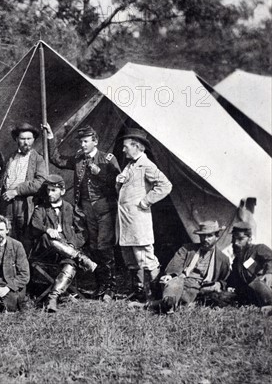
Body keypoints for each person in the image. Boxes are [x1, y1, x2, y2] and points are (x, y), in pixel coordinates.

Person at [42, 123, 120, 300]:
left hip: (104, 209)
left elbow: (118, 181)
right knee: (93, 247)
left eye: (86, 142)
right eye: (81, 142)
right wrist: (50, 138)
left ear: (95, 141)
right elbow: (57, 159)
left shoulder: (107, 159)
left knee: (104, 246)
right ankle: (100, 285)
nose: (82, 145)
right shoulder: (78, 158)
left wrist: (99, 172)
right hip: (86, 210)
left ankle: (110, 288)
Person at [116, 128, 172, 301]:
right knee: (132, 259)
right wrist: (119, 182)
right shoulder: (131, 164)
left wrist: (146, 201)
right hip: (126, 221)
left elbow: (165, 185)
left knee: (145, 258)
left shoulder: (146, 165)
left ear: (136, 146)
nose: (123, 150)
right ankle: (140, 292)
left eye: (126, 146)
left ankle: (154, 294)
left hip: (138, 221)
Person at [30, 175, 97, 312]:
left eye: (54, 190)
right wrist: (47, 229)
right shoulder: (41, 208)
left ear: (62, 191)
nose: (50, 194)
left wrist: (72, 244)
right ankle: (82, 258)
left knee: (70, 264)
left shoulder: (70, 208)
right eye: (48, 190)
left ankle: (52, 298)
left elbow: (82, 232)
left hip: (66, 251)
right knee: (49, 238)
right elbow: (34, 226)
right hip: (46, 251)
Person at [140, 221, 230, 313]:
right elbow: (175, 264)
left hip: (201, 288)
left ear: (217, 237)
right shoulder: (187, 249)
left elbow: (225, 280)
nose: (205, 239)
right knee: (174, 285)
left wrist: (219, 284)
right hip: (182, 282)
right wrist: (171, 275)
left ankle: (154, 305)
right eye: (202, 236)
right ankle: (170, 304)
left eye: (209, 236)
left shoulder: (222, 259)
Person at [0, 123, 47, 251]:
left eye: (29, 139)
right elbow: (5, 178)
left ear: (34, 140)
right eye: (23, 139)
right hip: (7, 202)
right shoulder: (11, 157)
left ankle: (24, 267)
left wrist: (17, 191)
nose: (26, 142)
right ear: (16, 139)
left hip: (24, 204)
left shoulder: (38, 159)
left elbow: (40, 182)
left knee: (24, 236)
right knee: (7, 233)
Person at [227, 222, 272, 309]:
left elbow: (271, 259)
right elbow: (234, 280)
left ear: (249, 239)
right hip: (251, 294)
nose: (235, 242)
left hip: (266, 289)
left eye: (240, 239)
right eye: (234, 238)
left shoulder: (259, 249)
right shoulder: (237, 261)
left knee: (256, 282)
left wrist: (269, 273)